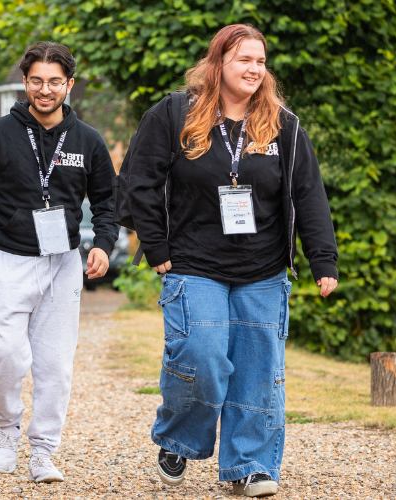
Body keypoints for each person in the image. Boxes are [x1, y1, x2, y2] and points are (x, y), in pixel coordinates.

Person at [125, 24, 339, 498]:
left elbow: (309, 195)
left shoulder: (283, 124)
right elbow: (139, 179)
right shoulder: (174, 114)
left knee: (259, 371)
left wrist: (322, 261)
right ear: (218, 62)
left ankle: (251, 466)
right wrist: (156, 248)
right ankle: (180, 438)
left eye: (260, 62)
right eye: (244, 60)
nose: (254, 69)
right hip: (193, 263)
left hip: (262, 270)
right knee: (200, 357)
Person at [0, 41, 119, 483]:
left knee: (55, 365)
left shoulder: (87, 140)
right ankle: (7, 429)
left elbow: (107, 200)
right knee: (4, 355)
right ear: (25, 82)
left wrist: (102, 244)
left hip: (63, 262)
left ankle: (44, 450)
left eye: (54, 82)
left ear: (68, 84)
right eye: (36, 81)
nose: (44, 90)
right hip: (7, 259)